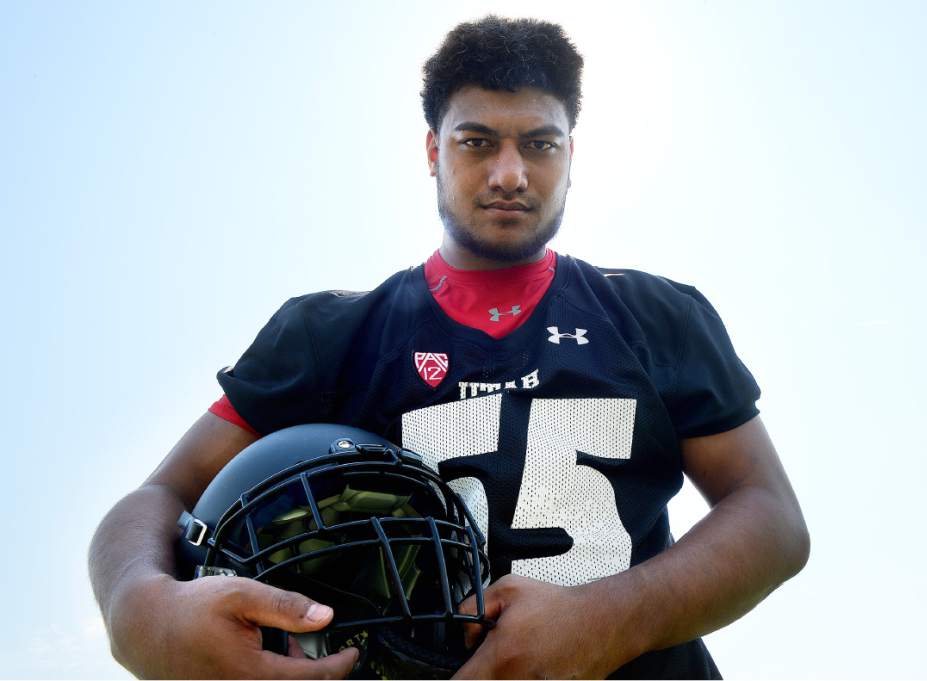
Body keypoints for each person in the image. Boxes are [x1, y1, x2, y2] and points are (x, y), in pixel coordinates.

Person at [89, 15, 809, 679]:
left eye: (539, 143)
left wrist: (608, 618)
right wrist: (138, 606)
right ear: (434, 151)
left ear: (570, 156)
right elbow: (161, 494)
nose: (508, 173)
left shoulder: (651, 313)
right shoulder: (330, 334)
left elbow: (771, 515)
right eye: (476, 141)